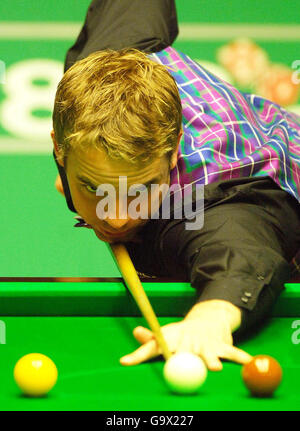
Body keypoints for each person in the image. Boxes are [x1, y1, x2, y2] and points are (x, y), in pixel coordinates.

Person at [51, 0, 300, 370]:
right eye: (95, 187)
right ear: (58, 144)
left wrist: (209, 320)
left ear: (172, 153)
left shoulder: (203, 203)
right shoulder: (111, 56)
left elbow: (240, 253)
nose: (117, 219)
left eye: (140, 190)